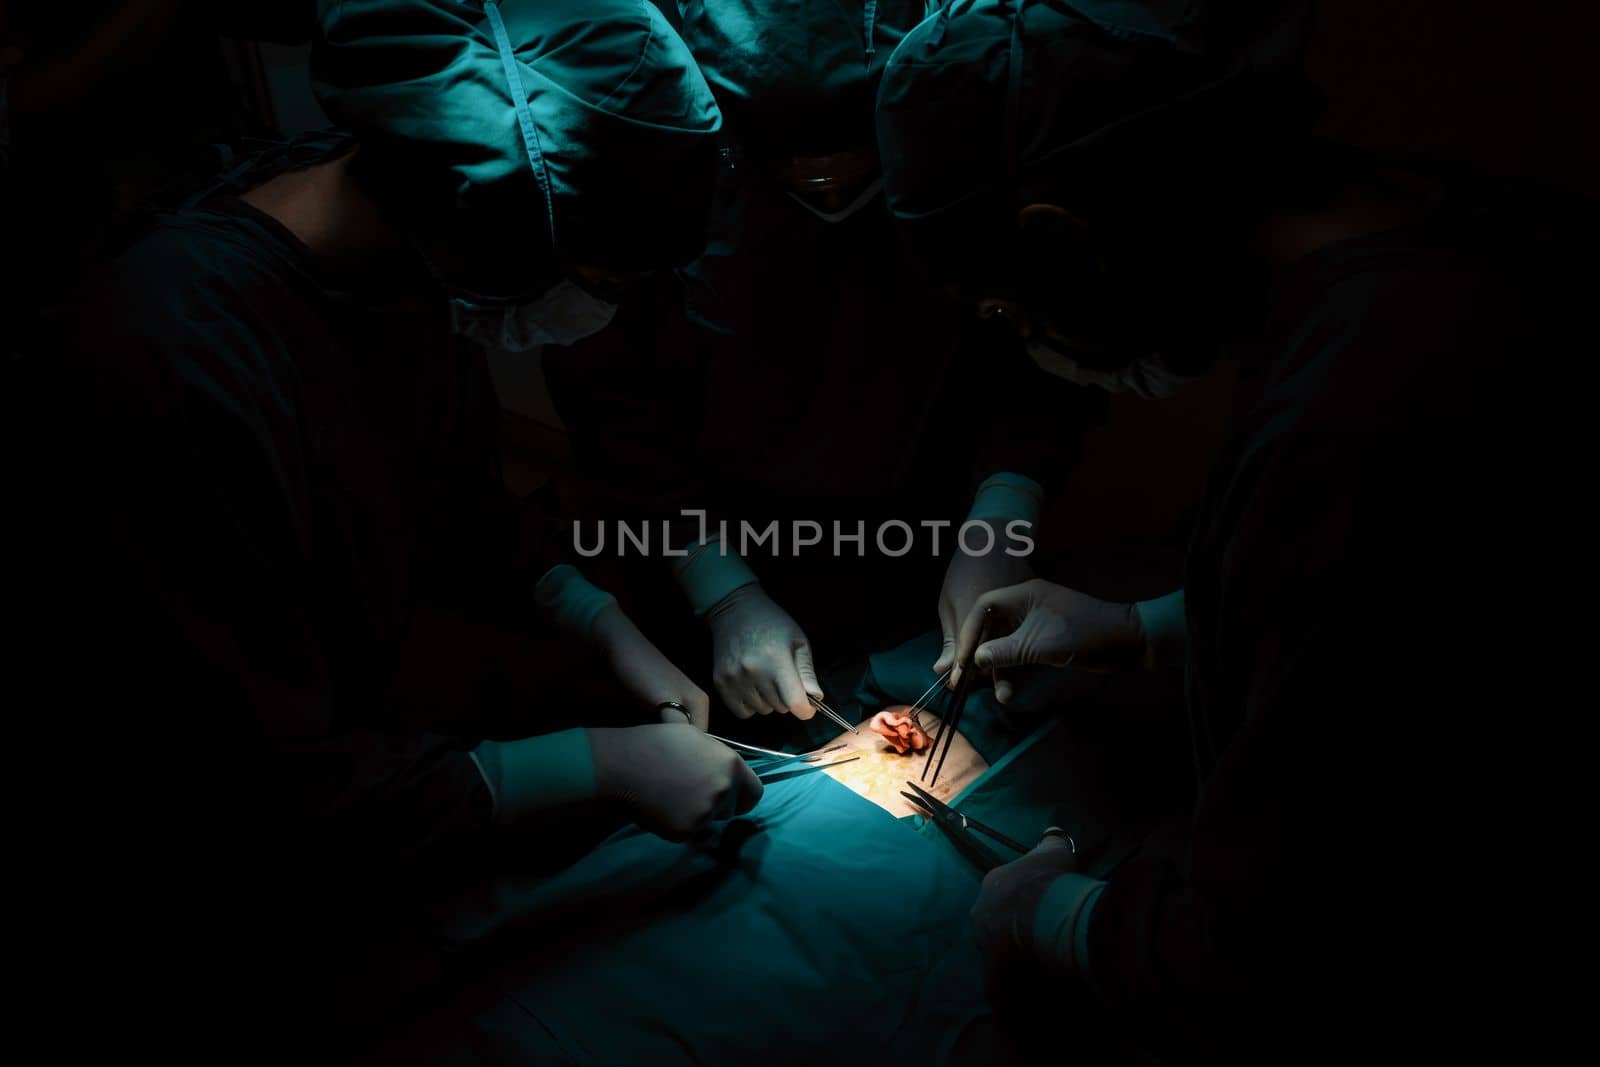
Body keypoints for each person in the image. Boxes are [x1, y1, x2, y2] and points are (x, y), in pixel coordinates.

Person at [13, 0, 750, 1050]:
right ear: (494, 224)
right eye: (601, 281)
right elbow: (252, 797)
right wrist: (591, 762)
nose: (607, 313)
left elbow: (444, 492)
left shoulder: (400, 263)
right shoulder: (167, 361)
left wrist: (589, 613)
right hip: (171, 885)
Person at [877, 0, 1574, 1060]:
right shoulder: (1470, 224)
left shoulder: (1354, 416)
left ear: (1060, 242)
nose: (1029, 343)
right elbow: (1431, 622)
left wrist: (1066, 921)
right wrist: (1151, 622)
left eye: (1015, 316)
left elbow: (1282, 956)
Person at [544, 0, 1103, 728]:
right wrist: (720, 586)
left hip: (928, 535)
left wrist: (1004, 510)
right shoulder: (652, 166)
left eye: (858, 177)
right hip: (702, 533)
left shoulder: (977, 146)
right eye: (799, 180)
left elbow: (1041, 335)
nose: (830, 196)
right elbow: (607, 394)